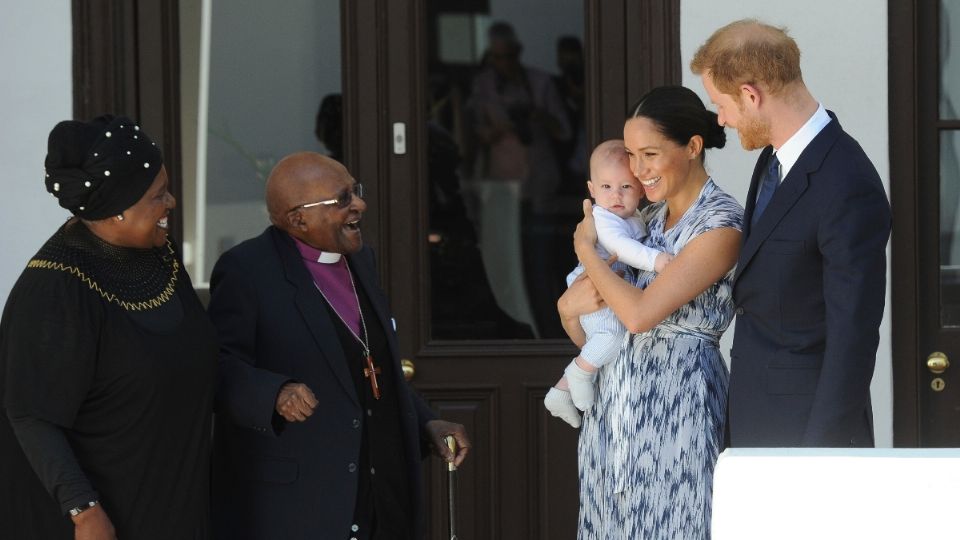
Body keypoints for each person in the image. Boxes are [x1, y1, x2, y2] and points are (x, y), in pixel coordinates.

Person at [208, 152, 470, 540]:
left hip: (383, 492)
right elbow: (219, 366)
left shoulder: (361, 259)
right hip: (309, 500)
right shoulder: (247, 270)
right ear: (299, 219)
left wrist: (424, 421)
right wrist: (273, 393)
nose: (360, 204)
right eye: (343, 198)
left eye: (355, 192)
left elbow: (372, 363)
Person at [0, 115, 216, 539]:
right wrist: (84, 512)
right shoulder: (55, 289)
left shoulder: (158, 255)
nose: (171, 203)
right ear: (117, 211)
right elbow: (30, 415)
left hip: (175, 505)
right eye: (158, 196)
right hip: (108, 520)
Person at [691, 19, 892, 447]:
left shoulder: (847, 180)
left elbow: (853, 336)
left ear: (750, 94)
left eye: (720, 104)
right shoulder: (772, 162)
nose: (721, 120)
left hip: (806, 438)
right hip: (755, 422)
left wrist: (819, 455)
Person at [558, 86, 743, 539]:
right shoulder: (645, 220)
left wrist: (586, 249)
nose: (637, 171)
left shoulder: (720, 223)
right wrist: (566, 311)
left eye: (650, 154)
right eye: (631, 156)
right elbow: (602, 329)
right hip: (614, 412)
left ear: (693, 147)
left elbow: (640, 315)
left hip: (679, 407)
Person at [544, 140, 672, 428]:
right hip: (592, 287)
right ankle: (578, 373)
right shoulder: (603, 219)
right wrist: (657, 260)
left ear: (640, 188)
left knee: (608, 336)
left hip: (607, 287)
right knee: (611, 336)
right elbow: (622, 248)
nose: (616, 195)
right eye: (606, 188)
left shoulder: (636, 217)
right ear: (591, 190)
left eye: (625, 187)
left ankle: (561, 391)